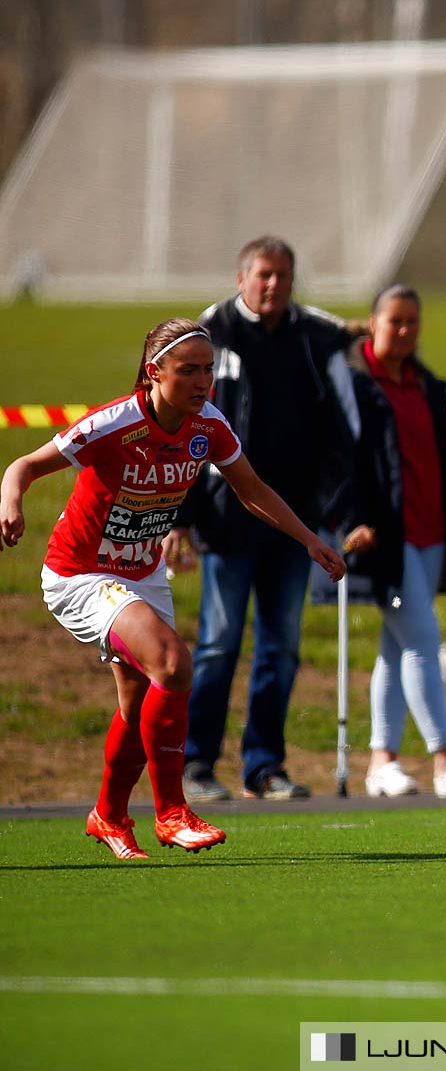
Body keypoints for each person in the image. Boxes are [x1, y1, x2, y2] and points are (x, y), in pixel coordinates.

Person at [0, 319, 347, 860]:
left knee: (140, 705)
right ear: (153, 371)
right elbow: (23, 465)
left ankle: (109, 816)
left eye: (208, 369)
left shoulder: (208, 425)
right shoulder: (114, 423)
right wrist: (12, 503)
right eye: (188, 370)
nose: (203, 380)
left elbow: (250, 488)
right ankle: (171, 812)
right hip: (82, 574)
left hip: (142, 575)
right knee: (173, 662)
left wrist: (308, 540)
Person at [166, 236, 357, 802]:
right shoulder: (211, 332)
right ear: (242, 276)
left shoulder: (311, 336)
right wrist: (183, 519)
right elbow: (183, 426)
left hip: (293, 525)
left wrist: (327, 510)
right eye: (263, 275)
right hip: (228, 520)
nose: (273, 285)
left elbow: (341, 427)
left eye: (283, 275)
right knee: (219, 644)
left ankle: (264, 767)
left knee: (282, 647)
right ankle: (196, 765)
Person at [337, 286, 446, 798]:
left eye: (413, 321)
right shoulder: (351, 383)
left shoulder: (427, 384)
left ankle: (381, 762)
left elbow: (444, 461)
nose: (405, 330)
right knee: (423, 640)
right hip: (384, 536)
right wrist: (352, 519)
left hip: (432, 533)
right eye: (395, 321)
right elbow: (338, 462)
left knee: (397, 647)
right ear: (373, 323)